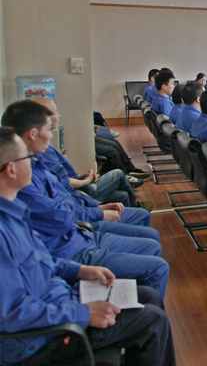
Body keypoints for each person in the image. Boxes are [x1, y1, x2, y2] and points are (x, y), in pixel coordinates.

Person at [0, 127, 176, 366]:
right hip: (45, 337)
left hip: (62, 302)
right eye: (28, 158)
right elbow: (12, 314)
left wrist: (80, 270)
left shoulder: (14, 214)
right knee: (152, 321)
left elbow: (43, 260)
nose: (34, 162)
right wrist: (83, 313)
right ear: (11, 169)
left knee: (148, 295)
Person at [1, 101, 169, 297]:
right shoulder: (24, 189)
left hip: (80, 236)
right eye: (48, 128)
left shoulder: (34, 170)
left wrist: (93, 208)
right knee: (157, 267)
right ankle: (135, 301)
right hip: (74, 248)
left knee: (149, 240)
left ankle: (134, 296)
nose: (51, 133)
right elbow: (62, 218)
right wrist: (96, 212)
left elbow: (66, 201)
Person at [32, 98, 140, 207]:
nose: (59, 115)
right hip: (75, 194)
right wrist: (86, 181)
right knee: (118, 173)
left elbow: (63, 177)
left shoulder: (47, 147)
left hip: (78, 187)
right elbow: (62, 182)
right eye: (55, 112)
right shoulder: (43, 151)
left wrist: (82, 177)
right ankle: (135, 206)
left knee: (123, 195)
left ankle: (133, 209)